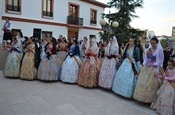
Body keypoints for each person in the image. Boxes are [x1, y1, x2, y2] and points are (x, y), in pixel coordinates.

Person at [134, 36, 164, 103]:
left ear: (157, 43)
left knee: (151, 84)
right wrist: (144, 64)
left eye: (154, 43)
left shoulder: (159, 50)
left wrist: (153, 64)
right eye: (151, 43)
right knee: (143, 82)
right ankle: (141, 97)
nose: (152, 44)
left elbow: (160, 60)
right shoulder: (149, 49)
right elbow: (145, 58)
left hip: (154, 68)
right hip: (146, 67)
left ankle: (149, 99)